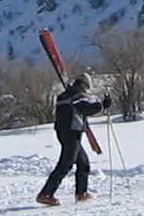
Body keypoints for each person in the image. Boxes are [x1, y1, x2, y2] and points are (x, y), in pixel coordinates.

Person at [38, 76, 103, 206]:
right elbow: (84, 108)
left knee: (83, 163)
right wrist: (102, 106)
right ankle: (46, 194)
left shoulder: (65, 94)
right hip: (72, 132)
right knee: (66, 164)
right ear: (85, 84)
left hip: (63, 131)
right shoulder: (78, 94)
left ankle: (81, 193)